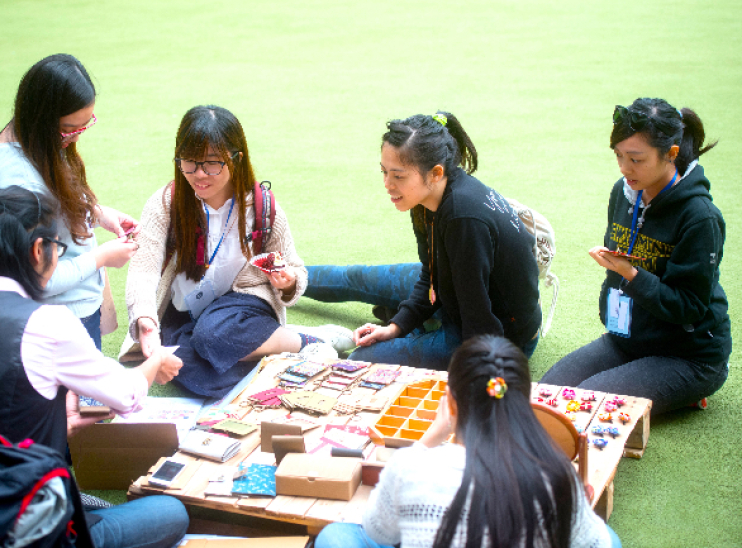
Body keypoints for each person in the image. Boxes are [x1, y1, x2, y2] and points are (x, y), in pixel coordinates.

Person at [0, 187, 188, 548]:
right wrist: (155, 361)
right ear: (38, 250)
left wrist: (52, 423)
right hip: (34, 527)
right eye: (58, 247)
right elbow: (127, 395)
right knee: (171, 512)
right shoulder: (47, 323)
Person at [124, 105, 351, 398]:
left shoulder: (262, 207)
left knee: (213, 335)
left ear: (236, 158)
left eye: (211, 163)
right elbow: (143, 268)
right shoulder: (166, 203)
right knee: (190, 370)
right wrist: (144, 318)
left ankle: (306, 342)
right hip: (186, 314)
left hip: (242, 308)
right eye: (189, 162)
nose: (199, 174)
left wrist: (289, 281)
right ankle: (272, 344)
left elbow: (296, 269)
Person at [315, 335, 619, 548]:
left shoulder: (411, 466)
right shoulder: (557, 474)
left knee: (335, 536)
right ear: (525, 401)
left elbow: (377, 532)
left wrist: (429, 438)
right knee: (609, 537)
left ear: (450, 402)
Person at [304, 111, 541, 370]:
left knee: (359, 360)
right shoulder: (425, 198)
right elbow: (431, 276)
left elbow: (479, 321)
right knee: (358, 278)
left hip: (497, 336)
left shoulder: (463, 218)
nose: (387, 184)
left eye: (398, 176)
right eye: (384, 172)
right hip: (455, 295)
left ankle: (419, 324)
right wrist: (397, 326)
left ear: (435, 173)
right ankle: (290, 279)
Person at [541, 98, 730, 415]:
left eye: (636, 159)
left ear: (671, 153)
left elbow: (690, 306)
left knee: (583, 407)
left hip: (688, 354)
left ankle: (683, 389)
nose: (624, 168)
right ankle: (648, 384)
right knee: (547, 393)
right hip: (629, 340)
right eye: (619, 155)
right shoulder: (624, 191)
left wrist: (631, 274)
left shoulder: (700, 217)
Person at [0, 53, 140, 349]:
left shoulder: (33, 137)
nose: (75, 138)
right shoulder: (19, 183)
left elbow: (54, 198)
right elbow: (38, 278)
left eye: (84, 126)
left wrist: (96, 213)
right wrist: (102, 257)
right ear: (42, 117)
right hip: (60, 320)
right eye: (69, 129)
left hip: (71, 308)